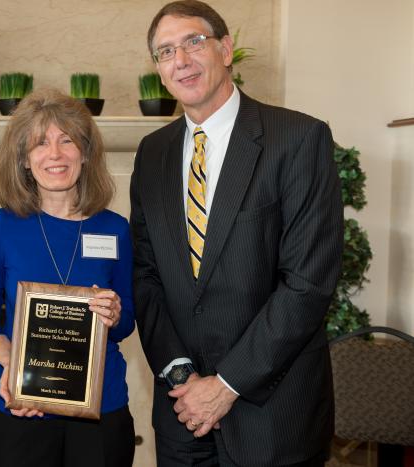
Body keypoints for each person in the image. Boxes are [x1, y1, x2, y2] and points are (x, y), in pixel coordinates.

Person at [130, 1, 344, 466]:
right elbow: (146, 276)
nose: (181, 59)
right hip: (181, 416)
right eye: (165, 52)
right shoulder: (152, 154)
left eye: (193, 42)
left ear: (226, 49)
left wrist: (225, 385)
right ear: (160, 72)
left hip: (271, 418)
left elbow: (308, 282)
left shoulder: (298, 139)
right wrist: (181, 376)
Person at [0, 88, 136, 467]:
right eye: (40, 143)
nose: (55, 154)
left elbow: (126, 324)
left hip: (101, 409)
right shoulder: (3, 227)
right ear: (25, 160)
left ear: (86, 153)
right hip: (20, 406)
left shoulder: (115, 230)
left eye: (67, 141)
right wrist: (12, 365)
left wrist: (113, 312)